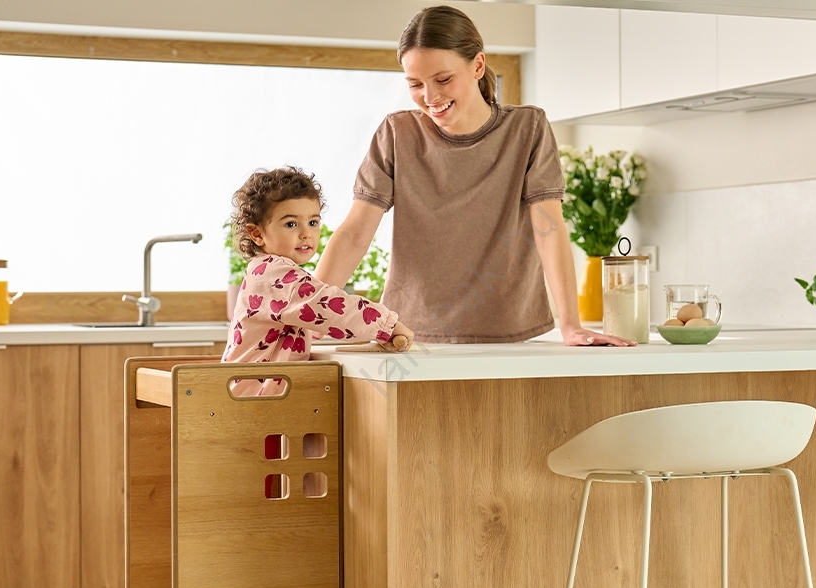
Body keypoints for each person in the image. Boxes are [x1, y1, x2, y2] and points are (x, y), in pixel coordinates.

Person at [314, 5, 633, 347]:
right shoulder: (396, 133)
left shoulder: (528, 128)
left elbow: (549, 228)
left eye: (443, 79)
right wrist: (306, 315)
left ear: (478, 65)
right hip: (408, 335)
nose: (430, 97)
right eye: (415, 84)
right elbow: (354, 234)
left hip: (507, 332)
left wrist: (571, 325)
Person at [222, 166, 414, 395]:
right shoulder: (274, 275)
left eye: (313, 222)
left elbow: (304, 318)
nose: (306, 233)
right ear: (257, 234)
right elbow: (326, 305)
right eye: (291, 224)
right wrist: (385, 325)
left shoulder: (268, 271)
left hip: (249, 397)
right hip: (252, 400)